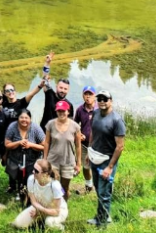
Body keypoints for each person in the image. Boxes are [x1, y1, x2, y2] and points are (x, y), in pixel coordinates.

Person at [87, 90, 126, 227]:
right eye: (100, 99)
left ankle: (102, 224)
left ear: (111, 101)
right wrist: (89, 151)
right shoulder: (96, 113)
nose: (102, 101)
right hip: (94, 157)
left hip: (106, 161)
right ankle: (101, 216)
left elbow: (120, 147)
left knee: (104, 193)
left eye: (105, 99)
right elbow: (92, 132)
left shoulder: (117, 120)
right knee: (98, 189)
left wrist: (110, 167)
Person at [11, 160, 69, 231]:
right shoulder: (31, 179)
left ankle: (62, 228)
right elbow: (33, 201)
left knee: (49, 222)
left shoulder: (54, 185)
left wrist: (40, 212)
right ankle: (41, 221)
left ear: (46, 174)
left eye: (36, 171)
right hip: (40, 207)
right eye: (33, 169)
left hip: (58, 211)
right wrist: (37, 211)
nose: (33, 172)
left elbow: (56, 211)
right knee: (18, 223)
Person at [44, 101, 82, 201]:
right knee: (53, 186)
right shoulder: (50, 124)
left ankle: (63, 207)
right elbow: (47, 143)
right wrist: (44, 159)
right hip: (53, 161)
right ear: (56, 112)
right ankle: (53, 207)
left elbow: (78, 145)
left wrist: (78, 163)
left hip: (68, 161)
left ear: (68, 111)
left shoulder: (75, 126)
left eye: (63, 111)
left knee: (65, 188)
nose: (61, 113)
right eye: (59, 111)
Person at [4, 109, 45, 202]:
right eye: (21, 117)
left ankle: (29, 197)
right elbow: (7, 144)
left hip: (32, 160)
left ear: (30, 119)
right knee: (16, 177)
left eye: (26, 118)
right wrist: (18, 142)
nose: (24, 120)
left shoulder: (35, 128)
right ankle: (17, 190)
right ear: (18, 118)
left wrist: (31, 145)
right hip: (15, 159)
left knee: (30, 180)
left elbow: (45, 146)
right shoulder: (12, 127)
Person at [74, 85, 98, 193]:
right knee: (86, 167)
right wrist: (79, 134)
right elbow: (75, 125)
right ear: (83, 96)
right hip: (84, 144)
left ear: (95, 96)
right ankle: (89, 186)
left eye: (90, 94)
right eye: (86, 94)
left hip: (98, 144)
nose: (88, 97)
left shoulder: (99, 109)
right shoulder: (80, 109)